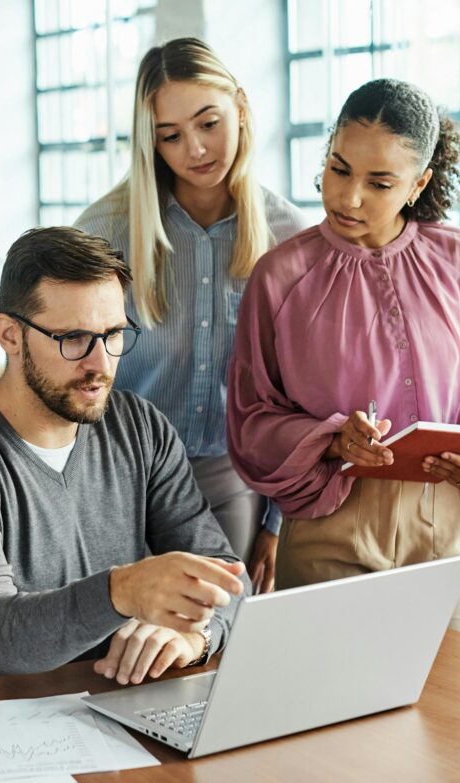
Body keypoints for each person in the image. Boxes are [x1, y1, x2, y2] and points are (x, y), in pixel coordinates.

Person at [226, 78, 460, 642]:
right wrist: (331, 439)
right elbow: (251, 420)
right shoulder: (279, 276)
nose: (349, 197)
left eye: (379, 182)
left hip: (454, 539)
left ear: (418, 183)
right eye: (339, 168)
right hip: (332, 536)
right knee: (336, 724)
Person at [0, 226, 248, 689]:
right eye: (74, 339)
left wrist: (193, 638)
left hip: (105, 704)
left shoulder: (141, 428)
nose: (100, 364)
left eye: (113, 334)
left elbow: (230, 583)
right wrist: (122, 592)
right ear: (10, 335)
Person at [75, 38, 307, 594]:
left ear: (242, 109)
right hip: (114, 473)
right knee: (115, 644)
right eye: (170, 135)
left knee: (213, 638)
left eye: (209, 123)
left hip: (232, 476)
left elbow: (297, 393)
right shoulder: (104, 229)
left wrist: (276, 522)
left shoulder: (289, 238)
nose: (196, 150)